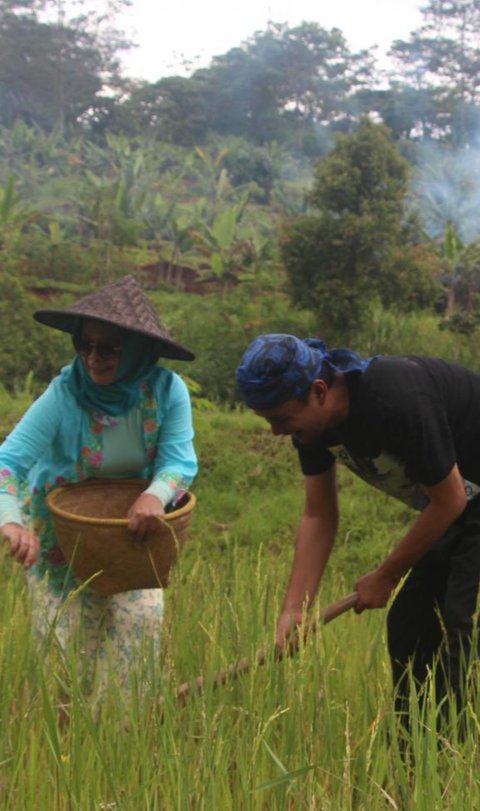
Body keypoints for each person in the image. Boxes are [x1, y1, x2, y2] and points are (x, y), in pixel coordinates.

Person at [236, 333, 480, 734]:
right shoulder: (312, 429)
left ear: (318, 391)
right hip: (459, 503)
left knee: (454, 624)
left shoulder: (395, 400)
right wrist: (295, 608)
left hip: (461, 501)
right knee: (410, 625)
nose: (277, 432)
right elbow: (318, 515)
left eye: (281, 418)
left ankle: (455, 753)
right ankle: (415, 755)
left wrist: (386, 575)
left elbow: (450, 500)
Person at [0, 274, 197, 700]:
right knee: (64, 647)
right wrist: (12, 522)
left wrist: (154, 495)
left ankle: (120, 735)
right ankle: (63, 748)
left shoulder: (166, 391)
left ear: (140, 351)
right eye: (84, 345)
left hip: (133, 537)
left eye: (109, 348)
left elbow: (180, 462)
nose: (93, 357)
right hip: (63, 540)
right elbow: (8, 462)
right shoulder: (65, 394)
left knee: (139, 630)